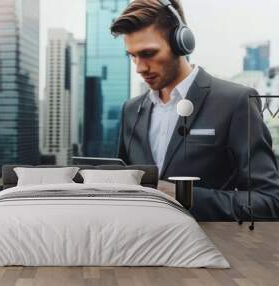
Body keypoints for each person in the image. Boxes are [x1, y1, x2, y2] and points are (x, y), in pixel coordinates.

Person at [111, 0, 279, 220]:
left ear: (181, 42)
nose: (140, 68)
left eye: (148, 53)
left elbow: (269, 201)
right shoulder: (132, 110)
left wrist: (184, 197)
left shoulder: (236, 102)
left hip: (206, 248)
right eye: (132, 56)